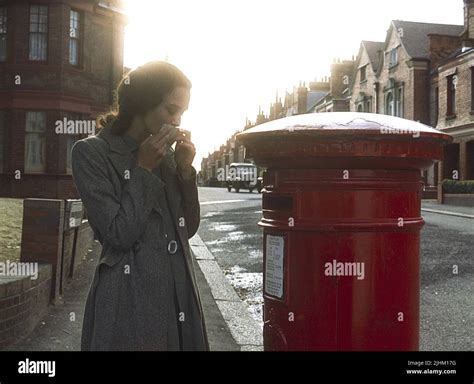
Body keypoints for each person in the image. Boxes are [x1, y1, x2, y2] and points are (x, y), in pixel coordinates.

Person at [71, 61, 209, 351]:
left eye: (182, 112)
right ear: (142, 104)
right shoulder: (91, 153)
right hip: (128, 301)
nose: (178, 122)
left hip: (178, 294)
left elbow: (188, 228)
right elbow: (118, 234)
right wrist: (143, 169)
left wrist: (185, 172)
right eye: (171, 110)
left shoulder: (167, 154)